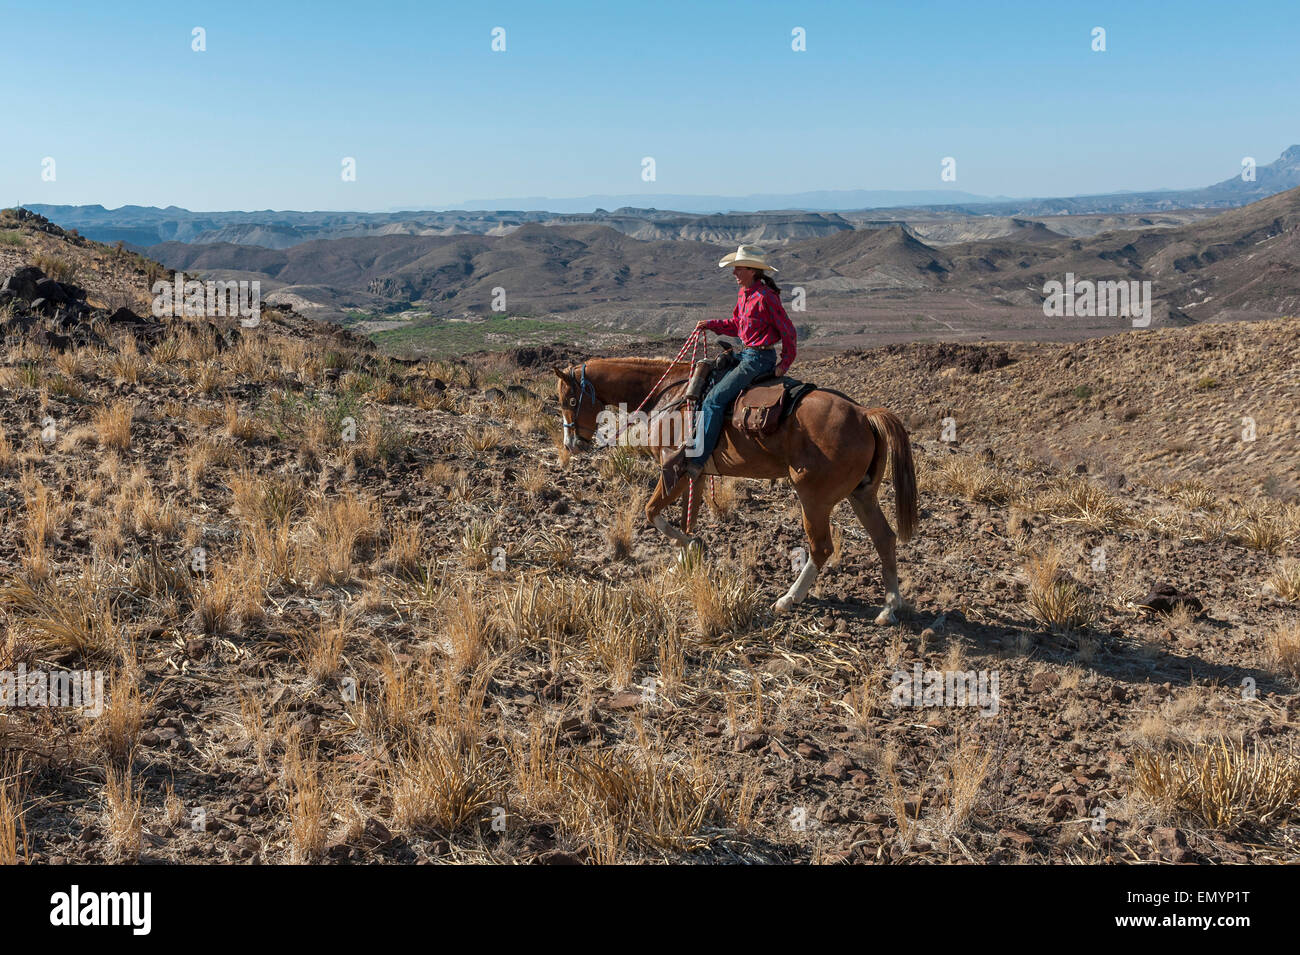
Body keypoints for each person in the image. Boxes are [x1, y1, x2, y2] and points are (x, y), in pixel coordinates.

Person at [683, 244, 797, 480]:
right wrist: (711, 324)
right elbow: (736, 325)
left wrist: (784, 364)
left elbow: (788, 332)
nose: (734, 273)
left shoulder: (766, 297)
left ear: (753, 271)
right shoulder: (745, 294)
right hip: (746, 353)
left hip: (758, 358)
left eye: (738, 268)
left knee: (714, 399)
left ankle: (697, 461)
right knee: (707, 382)